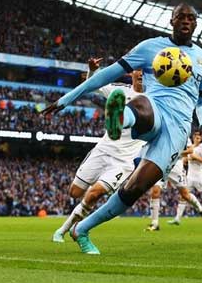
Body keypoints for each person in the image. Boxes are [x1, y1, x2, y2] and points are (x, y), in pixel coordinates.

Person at [43, 3, 202, 254]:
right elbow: (107, 75)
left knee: (134, 189)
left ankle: (82, 230)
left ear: (196, 23)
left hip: (178, 130)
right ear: (171, 20)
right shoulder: (149, 47)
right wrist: (68, 98)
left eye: (191, 17)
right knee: (141, 102)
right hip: (155, 107)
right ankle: (120, 118)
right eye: (181, 17)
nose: (186, 21)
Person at [52, 57, 144, 242]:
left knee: (95, 193)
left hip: (123, 162)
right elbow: (96, 84)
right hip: (103, 150)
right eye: (139, 70)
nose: (141, 74)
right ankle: (78, 217)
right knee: (75, 193)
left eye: (145, 71)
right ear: (132, 73)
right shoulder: (119, 91)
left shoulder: (153, 101)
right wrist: (92, 70)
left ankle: (64, 229)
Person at [146, 143, 202, 231]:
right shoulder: (161, 132)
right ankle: (155, 223)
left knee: (185, 195)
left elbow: (190, 150)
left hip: (176, 167)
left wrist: (175, 153)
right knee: (155, 191)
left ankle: (201, 210)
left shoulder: (182, 132)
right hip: (161, 164)